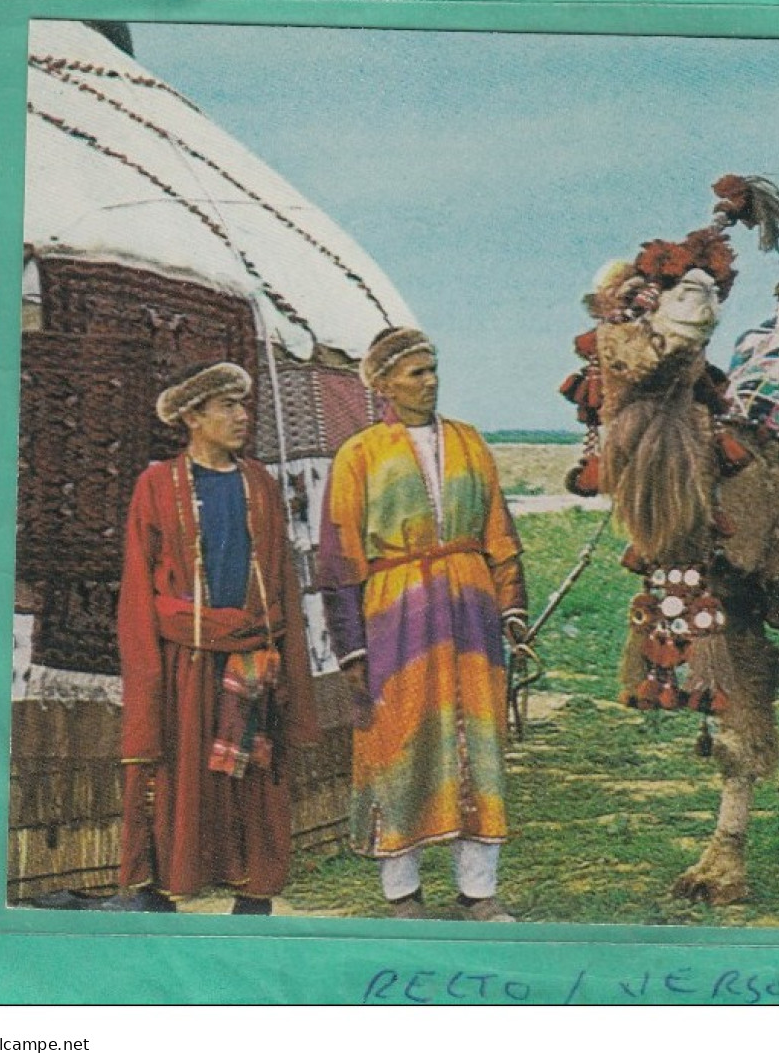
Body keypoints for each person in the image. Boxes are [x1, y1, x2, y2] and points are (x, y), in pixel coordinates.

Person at [318, 327, 529, 922]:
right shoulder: (359, 454)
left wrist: (512, 607)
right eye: (416, 372)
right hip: (396, 618)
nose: (430, 380)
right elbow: (338, 559)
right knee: (398, 740)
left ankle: (478, 891)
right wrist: (352, 646)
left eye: (433, 369)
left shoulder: (469, 442)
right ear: (383, 384)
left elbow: (500, 533)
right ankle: (402, 893)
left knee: (478, 741)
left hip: (471, 613)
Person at [111, 361, 319, 914]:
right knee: (181, 775)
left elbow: (281, 580)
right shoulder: (157, 485)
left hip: (252, 659)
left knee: (251, 779)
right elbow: (139, 586)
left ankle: (251, 901)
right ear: (192, 417)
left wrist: (283, 655)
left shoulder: (260, 485)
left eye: (242, 405)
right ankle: (161, 895)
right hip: (187, 662)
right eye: (226, 406)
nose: (240, 417)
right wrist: (149, 673)